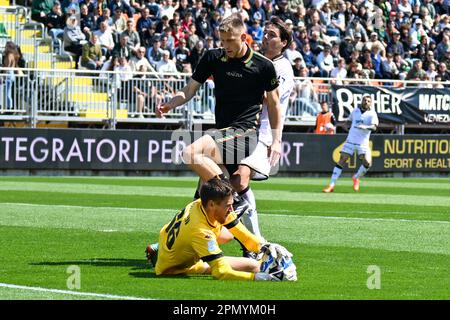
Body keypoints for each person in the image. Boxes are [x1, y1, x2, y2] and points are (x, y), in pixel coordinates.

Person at [156, 13, 282, 187]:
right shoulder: (213, 58)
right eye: (222, 41)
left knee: (191, 153)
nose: (225, 46)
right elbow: (190, 89)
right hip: (223, 133)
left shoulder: (263, 66)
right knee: (206, 199)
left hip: (245, 134)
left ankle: (232, 199)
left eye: (230, 40)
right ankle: (232, 200)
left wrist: (276, 141)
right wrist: (170, 103)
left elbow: (275, 104)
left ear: (244, 37)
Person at [228, 16, 294, 244]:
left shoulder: (283, 68)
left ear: (284, 42)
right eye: (265, 33)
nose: (265, 38)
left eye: (272, 35)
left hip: (263, 134)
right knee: (216, 188)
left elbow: (268, 99)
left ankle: (253, 241)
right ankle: (253, 242)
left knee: (238, 180)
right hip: (239, 130)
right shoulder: (255, 62)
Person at [148, 178, 278, 281]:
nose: (232, 210)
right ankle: (164, 256)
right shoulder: (200, 231)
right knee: (253, 265)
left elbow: (244, 236)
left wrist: (265, 247)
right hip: (175, 268)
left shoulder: (202, 203)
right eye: (228, 206)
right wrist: (259, 278)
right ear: (211, 204)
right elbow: (221, 272)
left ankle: (162, 249)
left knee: (230, 234)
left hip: (169, 238)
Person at [323, 94, 379, 193]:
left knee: (367, 163)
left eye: (368, 101)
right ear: (362, 101)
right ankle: (331, 185)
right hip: (351, 141)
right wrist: (344, 126)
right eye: (365, 100)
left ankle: (356, 177)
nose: (366, 102)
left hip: (363, 143)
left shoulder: (372, 114)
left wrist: (365, 127)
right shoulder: (355, 111)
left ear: (371, 103)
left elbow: (374, 127)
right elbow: (348, 122)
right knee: (342, 160)